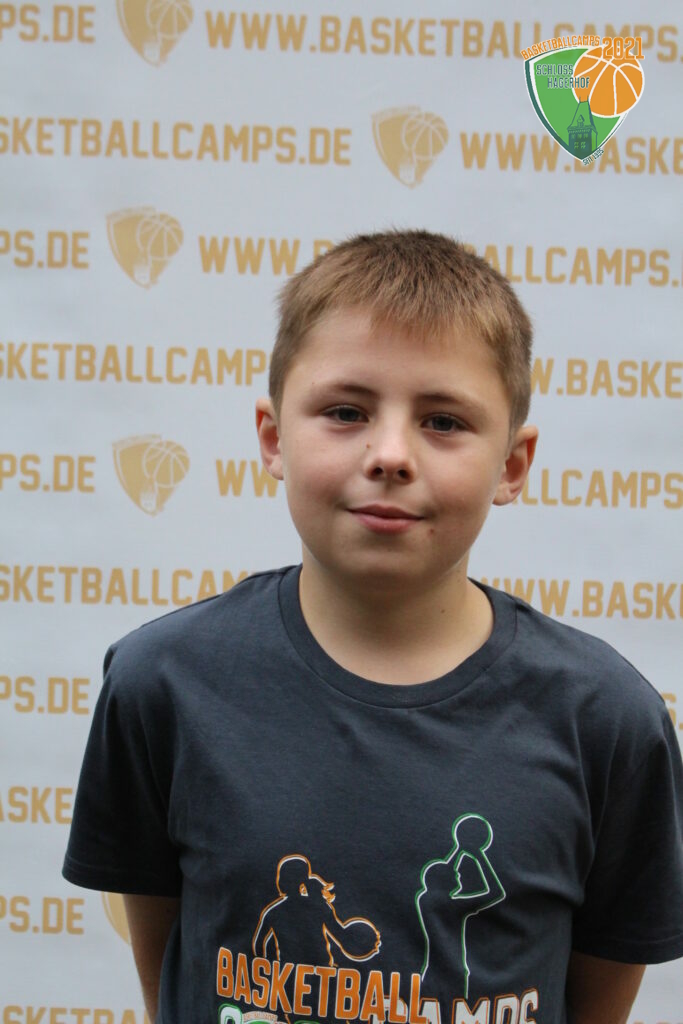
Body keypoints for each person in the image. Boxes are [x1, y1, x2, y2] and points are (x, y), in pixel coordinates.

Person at [63, 231, 683, 1024]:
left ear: (512, 465)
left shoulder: (606, 722)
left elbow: (597, 995)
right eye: (345, 412)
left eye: (443, 421)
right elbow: (167, 969)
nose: (389, 454)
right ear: (272, 437)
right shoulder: (161, 683)